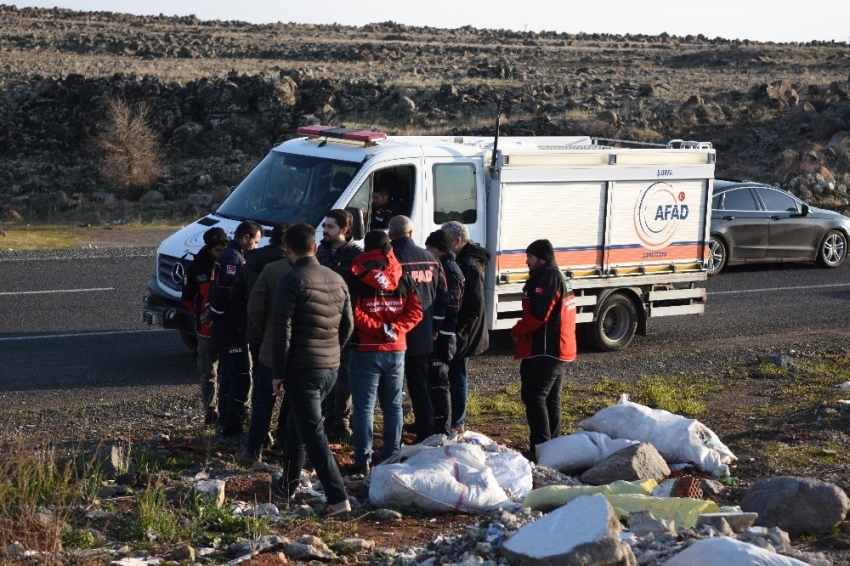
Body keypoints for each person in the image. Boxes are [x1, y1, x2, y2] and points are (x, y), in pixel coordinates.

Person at [270, 223, 354, 518]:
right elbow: (348, 326)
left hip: (302, 369)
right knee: (297, 425)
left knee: (314, 433)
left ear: (288, 250)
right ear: (315, 248)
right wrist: (333, 353)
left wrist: (278, 372)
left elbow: (282, 331)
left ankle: (338, 497)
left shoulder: (292, 280)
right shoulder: (337, 279)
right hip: (330, 367)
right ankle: (288, 485)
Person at [349, 230, 423, 473]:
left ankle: (363, 458)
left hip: (367, 348)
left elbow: (353, 313)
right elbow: (416, 311)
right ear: (388, 247)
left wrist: (379, 330)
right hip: (396, 348)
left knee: (363, 407)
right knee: (393, 406)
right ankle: (392, 453)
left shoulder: (357, 274)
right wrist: (394, 329)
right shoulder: (402, 275)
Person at [510, 239, 577, 460]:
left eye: (529, 257)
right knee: (551, 399)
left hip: (546, 350)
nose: (526, 261)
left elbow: (538, 316)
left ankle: (541, 449)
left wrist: (516, 330)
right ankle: (553, 449)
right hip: (560, 350)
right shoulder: (559, 277)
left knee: (534, 397)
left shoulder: (547, 279)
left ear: (541, 258)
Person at [388, 215, 447, 442]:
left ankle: (395, 434)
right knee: (419, 385)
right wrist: (436, 326)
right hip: (423, 333)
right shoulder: (431, 258)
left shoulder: (389, 258)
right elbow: (443, 296)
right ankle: (426, 429)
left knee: (391, 389)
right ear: (411, 233)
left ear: (390, 234)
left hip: (395, 333)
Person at [203, 220, 262, 444]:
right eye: (255, 242)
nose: (256, 247)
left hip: (229, 328)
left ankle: (227, 424)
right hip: (231, 328)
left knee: (229, 377)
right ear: (246, 238)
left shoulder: (230, 256)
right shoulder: (233, 258)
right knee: (239, 378)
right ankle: (232, 430)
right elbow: (227, 293)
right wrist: (214, 314)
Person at [237, 227, 292, 465]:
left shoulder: (258, 264)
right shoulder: (307, 270)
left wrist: (263, 329)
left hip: (266, 340)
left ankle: (255, 447)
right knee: (294, 399)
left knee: (263, 396)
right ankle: (285, 439)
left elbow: (251, 305)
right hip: (297, 347)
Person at [316, 209, 363, 442]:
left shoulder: (356, 256)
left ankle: (341, 421)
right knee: (323, 372)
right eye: (324, 226)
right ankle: (323, 418)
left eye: (330, 227)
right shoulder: (319, 253)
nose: (325, 230)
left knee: (343, 373)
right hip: (321, 324)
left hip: (345, 324)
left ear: (343, 230)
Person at [441, 221, 491, 431]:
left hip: (464, 333)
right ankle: (452, 418)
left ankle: (457, 422)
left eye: (446, 240)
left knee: (458, 376)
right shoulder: (464, 261)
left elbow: (474, 305)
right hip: (462, 330)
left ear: (458, 241)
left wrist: (457, 330)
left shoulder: (468, 265)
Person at [181, 227, 228, 426]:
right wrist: (201, 315)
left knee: (232, 372)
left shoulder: (233, 262)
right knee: (208, 373)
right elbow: (187, 298)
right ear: (209, 249)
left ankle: (232, 413)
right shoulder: (197, 267)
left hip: (229, 328)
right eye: (218, 250)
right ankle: (210, 413)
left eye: (224, 248)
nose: (222, 253)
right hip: (206, 331)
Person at [423, 229, 465, 436]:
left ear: (439, 249)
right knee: (433, 381)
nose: (426, 251)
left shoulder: (450, 270)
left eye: (429, 247)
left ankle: (442, 430)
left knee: (440, 382)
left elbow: (451, 307)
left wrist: (442, 333)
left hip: (444, 337)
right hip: (441, 334)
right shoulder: (442, 266)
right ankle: (433, 424)